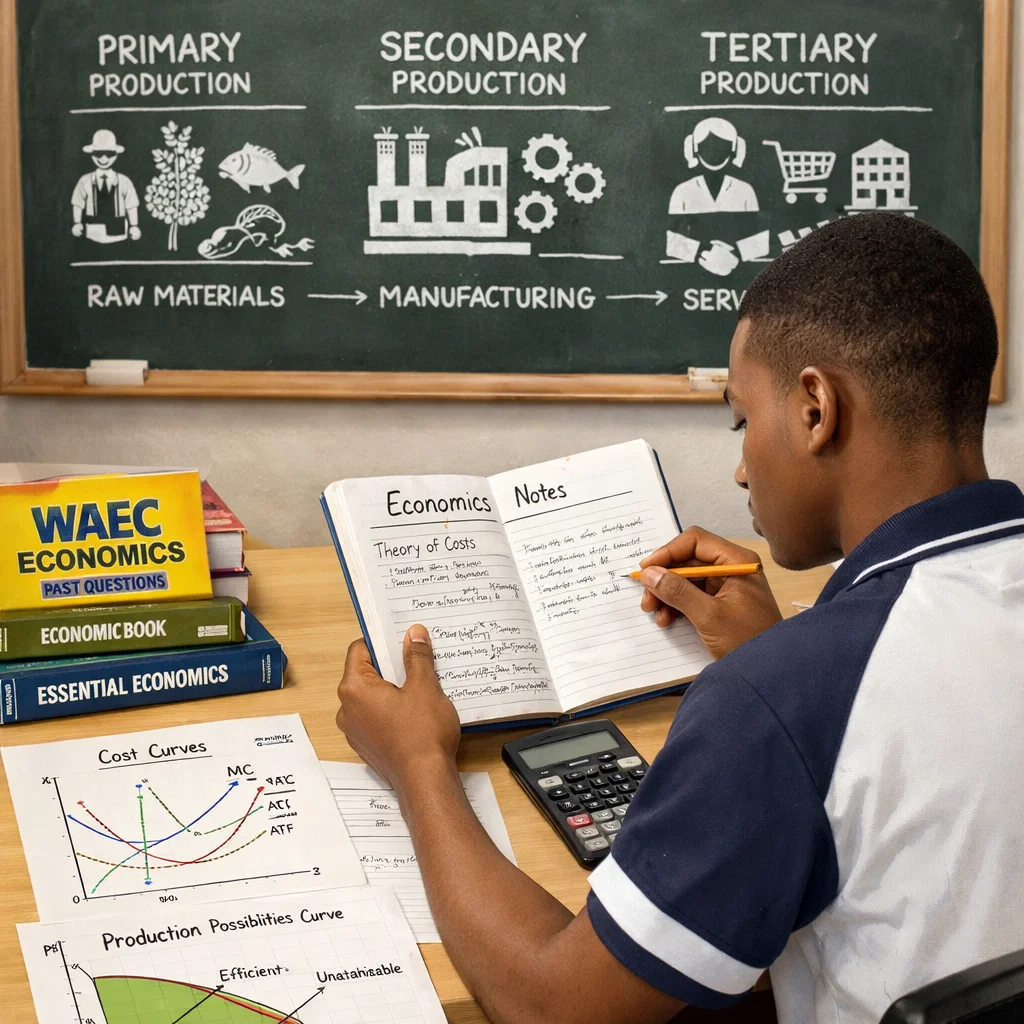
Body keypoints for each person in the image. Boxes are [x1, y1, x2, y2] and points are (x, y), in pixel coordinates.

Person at [335, 213, 1024, 1024]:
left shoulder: (775, 704)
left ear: (815, 409)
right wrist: (791, 658)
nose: (738, 467)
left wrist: (419, 765)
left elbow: (553, 1006)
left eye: (741, 420)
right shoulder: (809, 683)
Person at [668, 117, 759, 214]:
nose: (713, 152)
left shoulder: (745, 190)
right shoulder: (681, 191)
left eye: (721, 145)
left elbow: (757, 227)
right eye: (707, 145)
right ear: (694, 147)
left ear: (734, 148)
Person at [71, 129, 141, 244]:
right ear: (92, 154)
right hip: (92, 233)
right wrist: (77, 223)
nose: (103, 159)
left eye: (109, 154)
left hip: (119, 233)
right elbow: (78, 202)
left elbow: (131, 204)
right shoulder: (85, 180)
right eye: (98, 154)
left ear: (116, 155)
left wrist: (134, 225)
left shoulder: (124, 181)